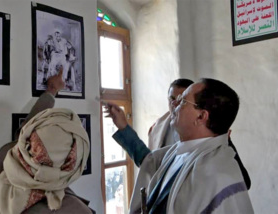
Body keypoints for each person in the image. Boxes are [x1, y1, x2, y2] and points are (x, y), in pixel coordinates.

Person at [106, 78, 253, 213]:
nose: (174, 104)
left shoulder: (216, 172)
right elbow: (149, 161)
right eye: (173, 99)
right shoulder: (178, 147)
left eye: (182, 101)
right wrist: (124, 127)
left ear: (201, 116)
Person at [0, 69, 95, 214]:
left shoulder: (7, 161)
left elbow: (23, 137)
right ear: (71, 164)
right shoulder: (74, 210)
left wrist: (51, 92)